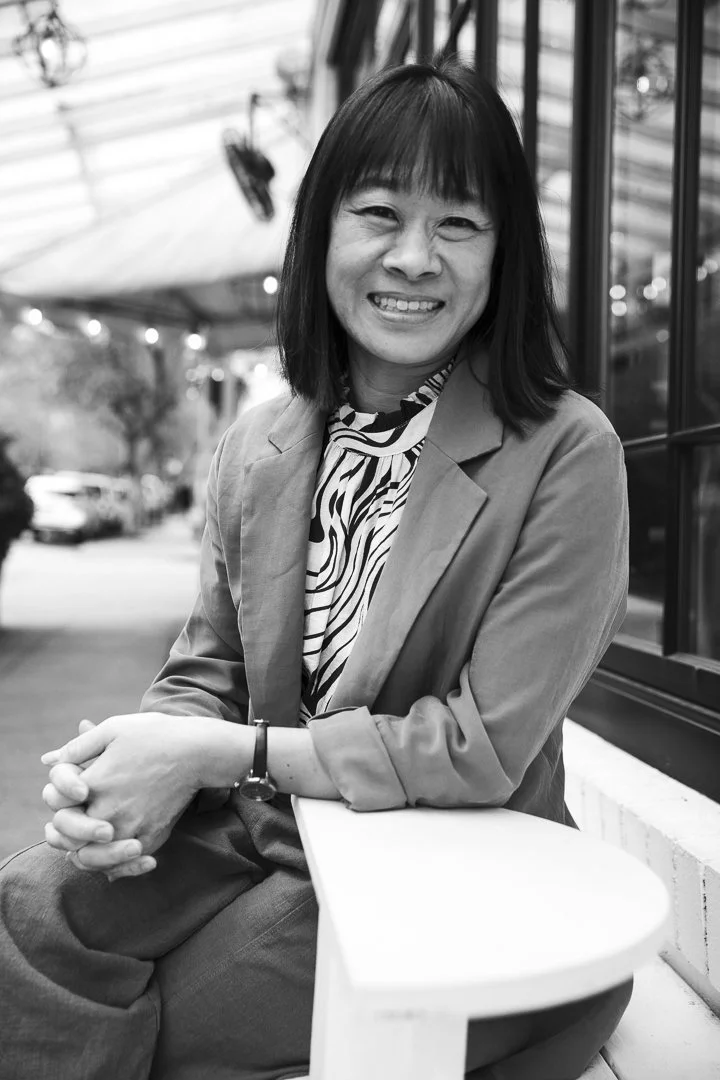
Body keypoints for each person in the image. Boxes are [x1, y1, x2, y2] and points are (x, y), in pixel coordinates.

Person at [0, 59, 631, 1080]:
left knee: (170, 1023)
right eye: (379, 213)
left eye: (460, 225)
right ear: (320, 235)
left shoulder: (564, 448)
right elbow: (206, 674)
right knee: (26, 914)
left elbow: (475, 751)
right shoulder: (260, 444)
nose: (416, 257)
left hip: (442, 866)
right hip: (257, 834)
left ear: (505, 252)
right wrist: (131, 775)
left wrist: (221, 755)